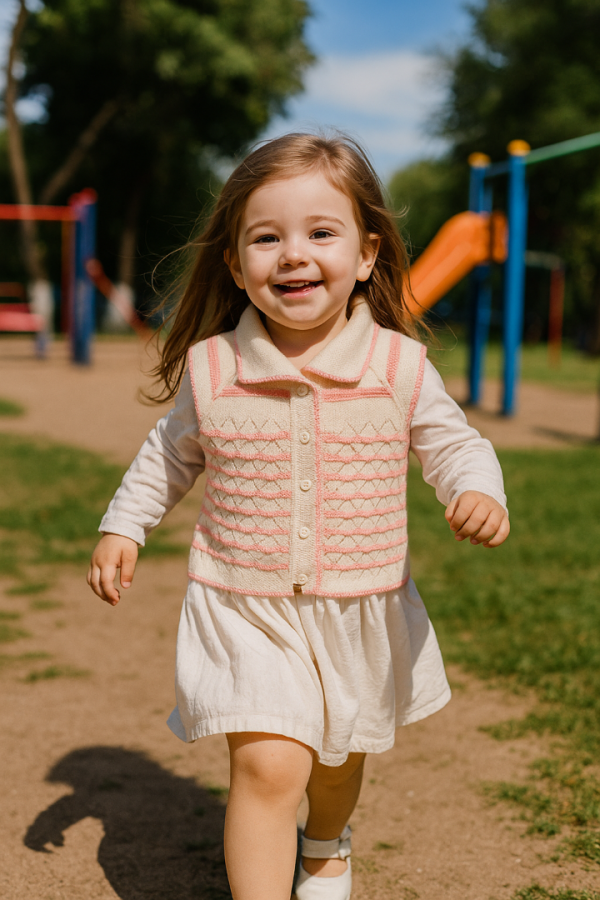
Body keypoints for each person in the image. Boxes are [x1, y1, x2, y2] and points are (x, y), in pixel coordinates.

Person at [87, 132, 509, 900]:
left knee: (339, 761)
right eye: (266, 237)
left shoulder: (398, 366)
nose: (293, 254)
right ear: (234, 263)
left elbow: (454, 443)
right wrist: (125, 524)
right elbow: (168, 455)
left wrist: (474, 489)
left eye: (320, 233)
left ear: (368, 254)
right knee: (269, 763)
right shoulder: (215, 368)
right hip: (245, 606)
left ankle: (325, 844)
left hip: (359, 608)